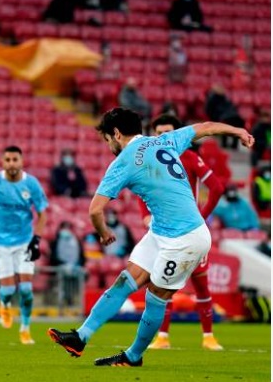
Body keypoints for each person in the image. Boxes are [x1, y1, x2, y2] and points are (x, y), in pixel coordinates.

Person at [47, 107, 253, 366]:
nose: (108, 145)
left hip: (186, 239)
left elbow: (95, 210)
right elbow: (207, 126)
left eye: (107, 139)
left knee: (155, 296)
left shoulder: (123, 162)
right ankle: (81, 336)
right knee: (126, 280)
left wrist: (104, 233)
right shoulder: (164, 140)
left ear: (117, 133)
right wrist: (238, 131)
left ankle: (133, 356)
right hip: (161, 231)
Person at [140, 114, 225, 351]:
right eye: (158, 133)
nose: (162, 137)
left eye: (167, 133)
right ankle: (164, 337)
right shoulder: (152, 163)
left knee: (200, 285)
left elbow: (217, 188)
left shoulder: (189, 157)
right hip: (166, 233)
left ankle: (207, 336)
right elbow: (141, 191)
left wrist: (202, 217)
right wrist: (143, 216)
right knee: (162, 284)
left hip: (189, 232)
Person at [0, 145, 48, 345]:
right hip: (1, 243)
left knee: (26, 289)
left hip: (24, 241)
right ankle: (4, 305)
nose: (11, 163)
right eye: (7, 160)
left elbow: (42, 213)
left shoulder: (31, 184)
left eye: (15, 159)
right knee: (8, 291)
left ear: (21, 161)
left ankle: (25, 328)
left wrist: (37, 239)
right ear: (2, 162)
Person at [50, 221, 86, 306]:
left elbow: (82, 256)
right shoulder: (56, 241)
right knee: (64, 276)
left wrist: (77, 264)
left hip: (75, 267)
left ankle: (74, 299)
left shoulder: (76, 241)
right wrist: (62, 263)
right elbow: (53, 257)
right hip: (61, 267)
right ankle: (64, 299)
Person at [205, 85, 245, 149]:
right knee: (228, 125)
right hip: (224, 117)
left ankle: (232, 145)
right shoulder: (213, 98)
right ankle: (226, 145)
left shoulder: (225, 98)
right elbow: (209, 110)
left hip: (230, 116)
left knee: (236, 124)